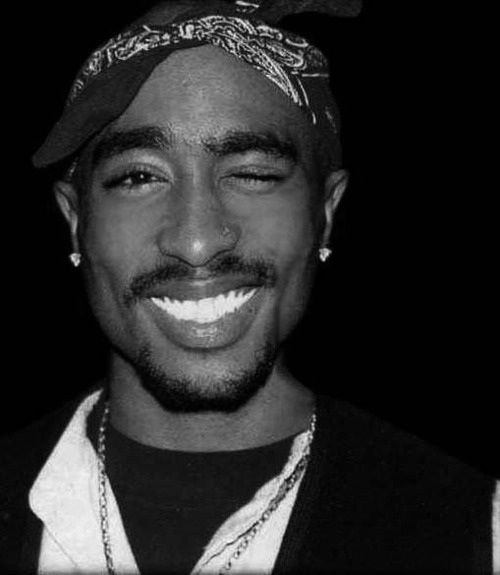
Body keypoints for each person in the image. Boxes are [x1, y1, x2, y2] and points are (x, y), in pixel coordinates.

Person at [1, 0, 498, 573]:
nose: (197, 240)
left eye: (253, 174)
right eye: (139, 176)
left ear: (326, 214)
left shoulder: (476, 527)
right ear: (75, 221)